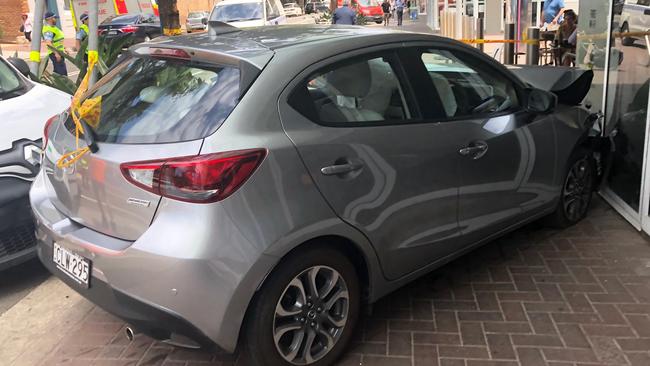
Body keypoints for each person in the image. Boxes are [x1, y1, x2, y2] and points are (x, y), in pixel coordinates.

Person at [42, 11, 67, 76]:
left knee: (58, 71)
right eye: (54, 18)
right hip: (55, 53)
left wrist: (64, 48)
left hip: (59, 52)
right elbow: (48, 42)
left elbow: (58, 40)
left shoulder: (54, 28)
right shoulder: (49, 30)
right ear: (49, 19)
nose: (55, 19)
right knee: (62, 73)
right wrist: (56, 53)